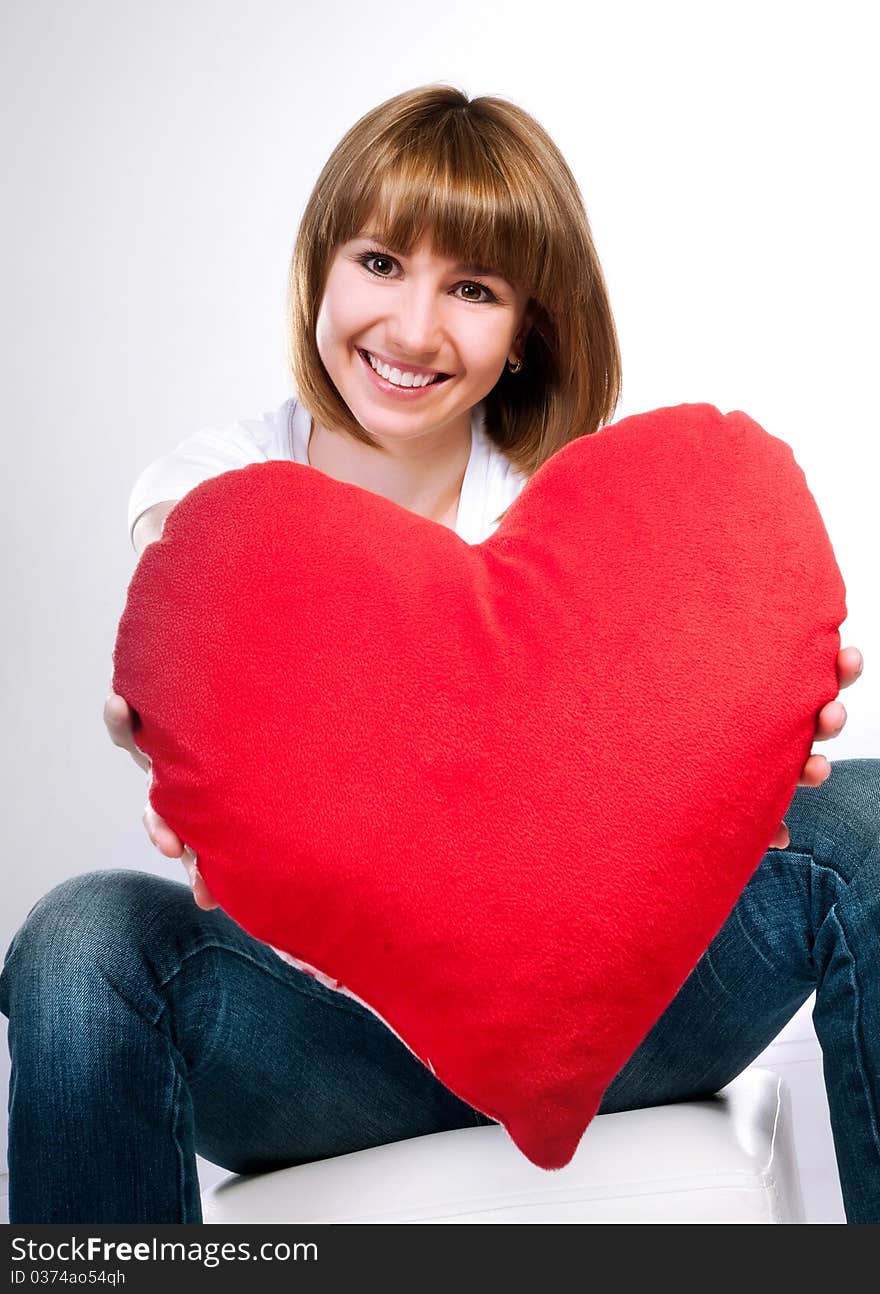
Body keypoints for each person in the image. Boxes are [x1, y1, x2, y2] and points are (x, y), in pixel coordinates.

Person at [1, 84, 875, 1225]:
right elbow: (194, 594)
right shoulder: (216, 490)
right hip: (322, 1052)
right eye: (378, 263)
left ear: (525, 331)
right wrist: (162, 706)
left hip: (604, 1019)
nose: (412, 330)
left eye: (471, 288)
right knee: (77, 940)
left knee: (859, 818)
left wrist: (759, 735)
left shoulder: (588, 519)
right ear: (318, 267)